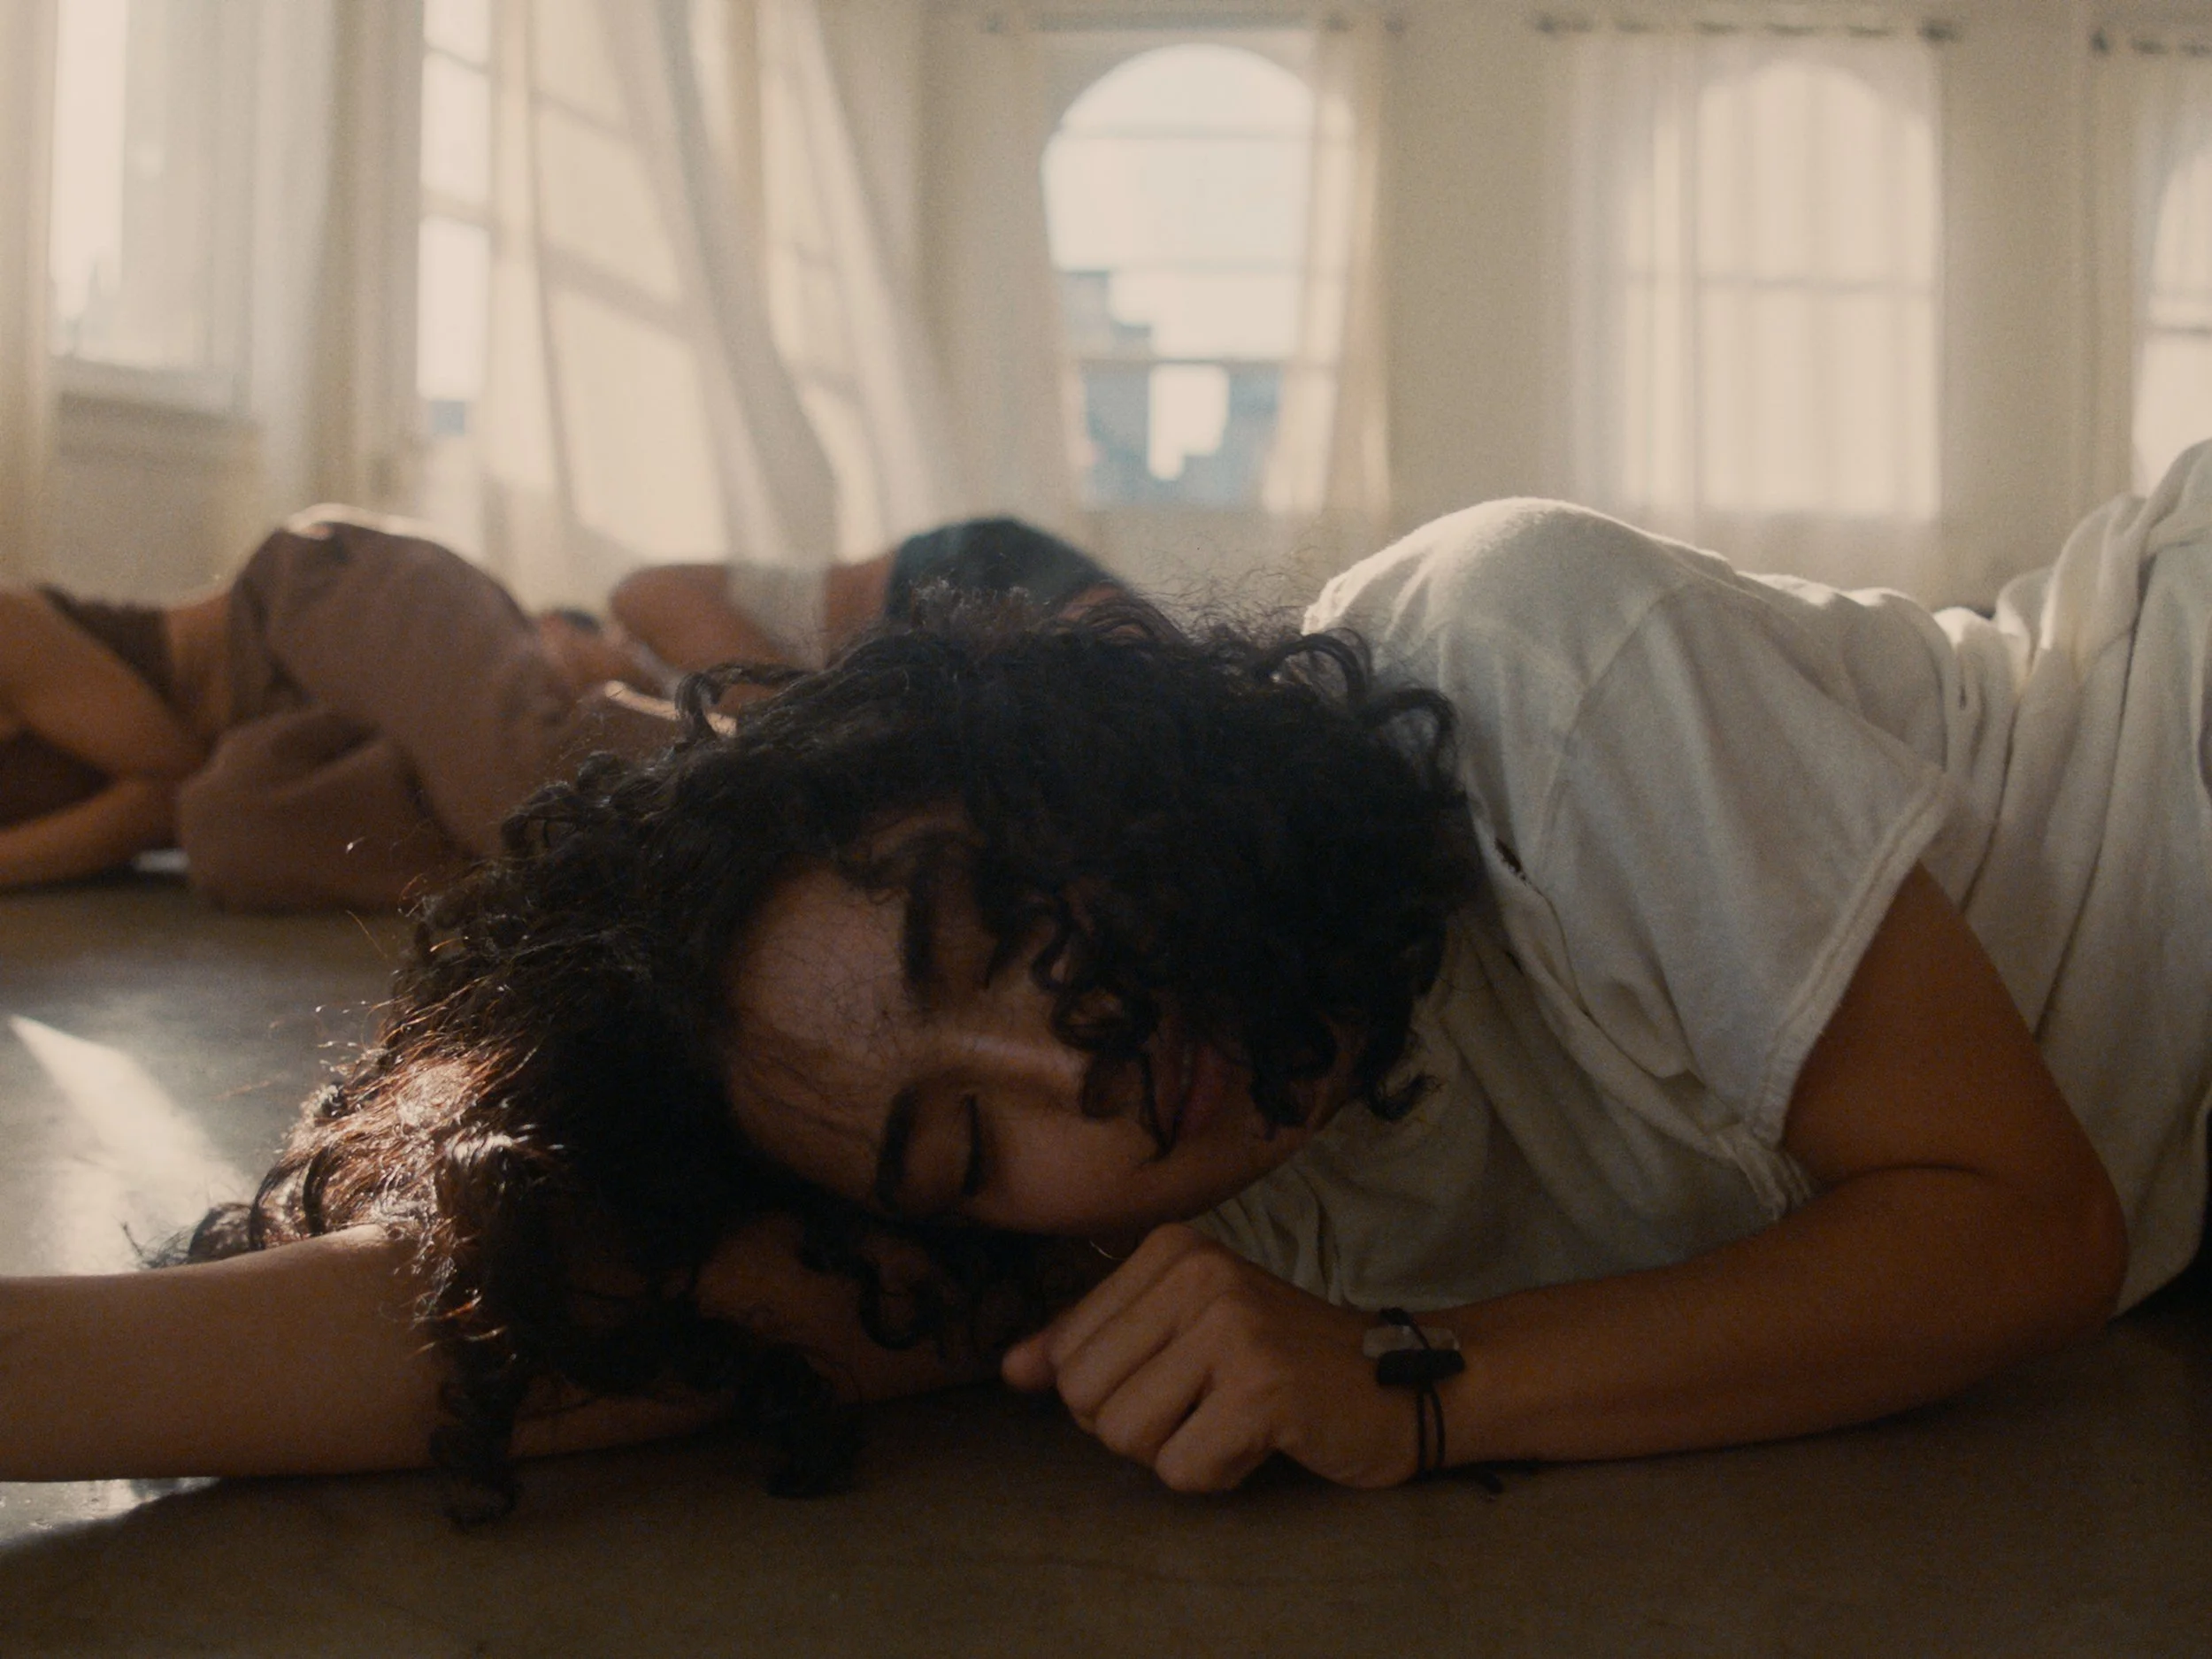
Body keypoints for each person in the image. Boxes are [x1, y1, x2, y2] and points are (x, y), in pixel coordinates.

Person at [15, 447, 2212, 1513]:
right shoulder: (1157, 1209)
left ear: (1069, 762)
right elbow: (509, 1317)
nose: (1072, 1071)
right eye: (954, 1143)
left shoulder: (1526, 650)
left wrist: (1423, 1378)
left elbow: (2018, 1223)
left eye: (986, 929)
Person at [0, 506, 674, 910]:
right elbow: (180, 807)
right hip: (271, 754)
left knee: (527, 803)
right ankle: (561, 694)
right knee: (226, 837)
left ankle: (726, 750)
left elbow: (163, 778)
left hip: (299, 607)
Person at [608, 516, 1119, 674]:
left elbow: (779, 713)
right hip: (915, 652)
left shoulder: (638, 597)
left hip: (933, 584)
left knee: (1122, 662)